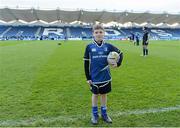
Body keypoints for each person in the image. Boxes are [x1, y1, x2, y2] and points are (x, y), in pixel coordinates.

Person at [83, 24, 123, 125]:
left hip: (106, 76)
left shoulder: (108, 46)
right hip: (94, 77)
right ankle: (95, 114)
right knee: (95, 95)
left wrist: (118, 64)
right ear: (93, 34)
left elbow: (121, 53)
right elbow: (86, 63)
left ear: (104, 33)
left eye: (101, 32)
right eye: (96, 32)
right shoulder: (89, 47)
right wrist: (88, 77)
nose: (99, 34)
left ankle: (104, 114)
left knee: (104, 95)